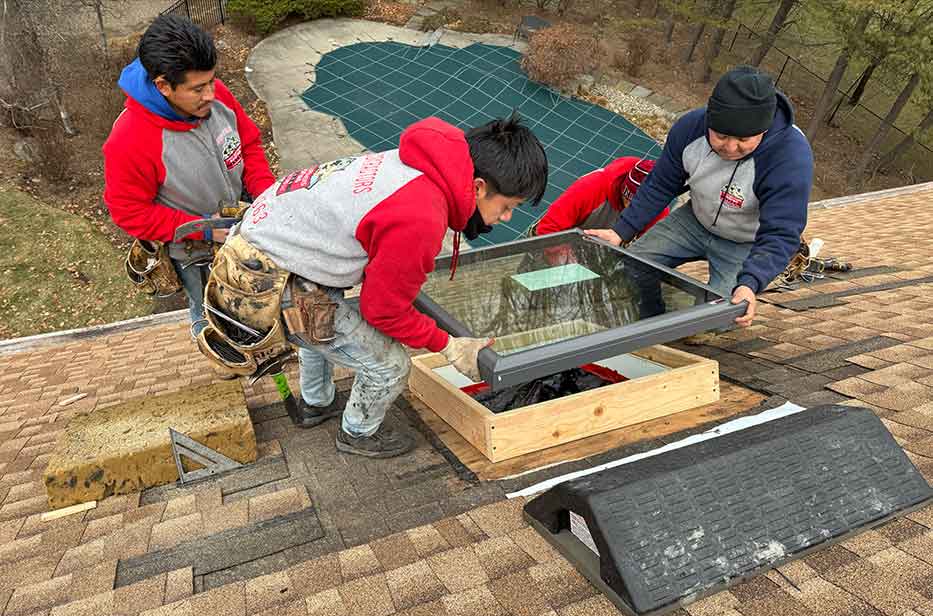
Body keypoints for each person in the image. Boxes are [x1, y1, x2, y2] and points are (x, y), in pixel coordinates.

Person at [200, 114, 549, 459]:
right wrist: (449, 345)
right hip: (266, 283)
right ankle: (358, 432)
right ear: (478, 187)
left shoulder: (420, 164)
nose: (506, 218)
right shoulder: (421, 214)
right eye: (508, 207)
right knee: (390, 365)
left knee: (319, 323)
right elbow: (382, 309)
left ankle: (315, 403)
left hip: (268, 253)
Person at [586, 65, 813, 328]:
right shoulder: (689, 128)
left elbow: (781, 233)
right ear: (709, 121)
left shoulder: (790, 158)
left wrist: (750, 283)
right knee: (631, 267)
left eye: (742, 139)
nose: (730, 147)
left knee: (720, 316)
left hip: (746, 241)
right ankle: (650, 322)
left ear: (762, 130)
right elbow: (661, 184)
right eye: (721, 135)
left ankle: (699, 322)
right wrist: (620, 231)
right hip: (694, 220)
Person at [103, 14, 276, 340]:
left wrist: (264, 195)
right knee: (209, 310)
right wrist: (203, 230)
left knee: (255, 303)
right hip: (197, 253)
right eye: (197, 88)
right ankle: (218, 351)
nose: (211, 93)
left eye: (212, 81)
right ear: (163, 85)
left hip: (243, 221)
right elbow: (129, 213)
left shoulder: (216, 95)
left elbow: (249, 142)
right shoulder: (130, 140)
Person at [534, 156, 668, 237]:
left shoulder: (658, 208)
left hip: (608, 251)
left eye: (640, 206)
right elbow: (547, 228)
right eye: (628, 200)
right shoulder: (592, 186)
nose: (630, 209)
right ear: (623, 188)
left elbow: (648, 255)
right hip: (565, 239)